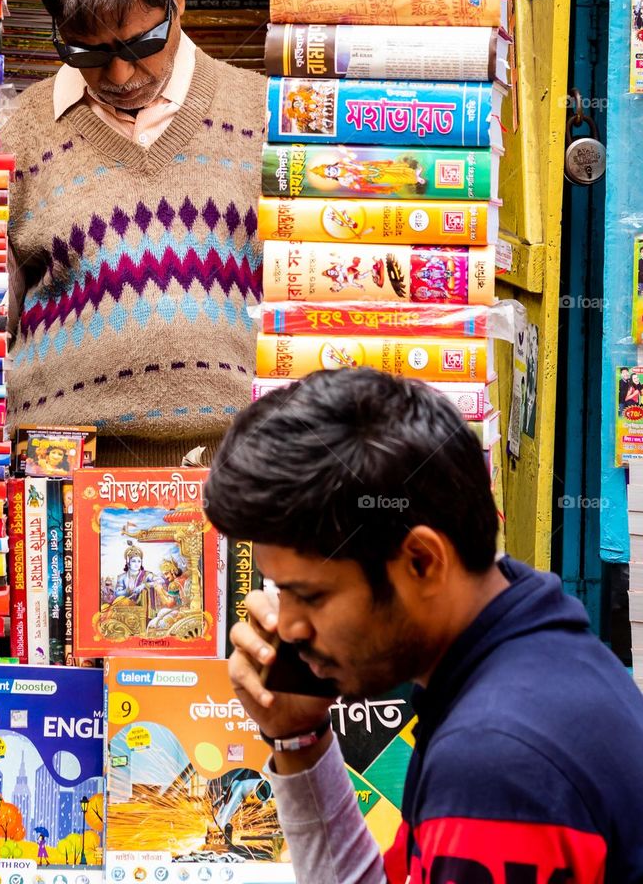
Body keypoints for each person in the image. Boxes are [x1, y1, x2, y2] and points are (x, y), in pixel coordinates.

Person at [204, 367, 643, 883]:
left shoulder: (495, 760)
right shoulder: (532, 658)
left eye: (311, 595)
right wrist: (298, 736)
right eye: (281, 593)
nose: (291, 627)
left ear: (422, 562)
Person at [3, 0, 265, 467]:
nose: (120, 74)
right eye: (87, 53)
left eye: (140, 43)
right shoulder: (16, 136)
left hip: (246, 477)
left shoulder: (267, 118)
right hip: (61, 488)